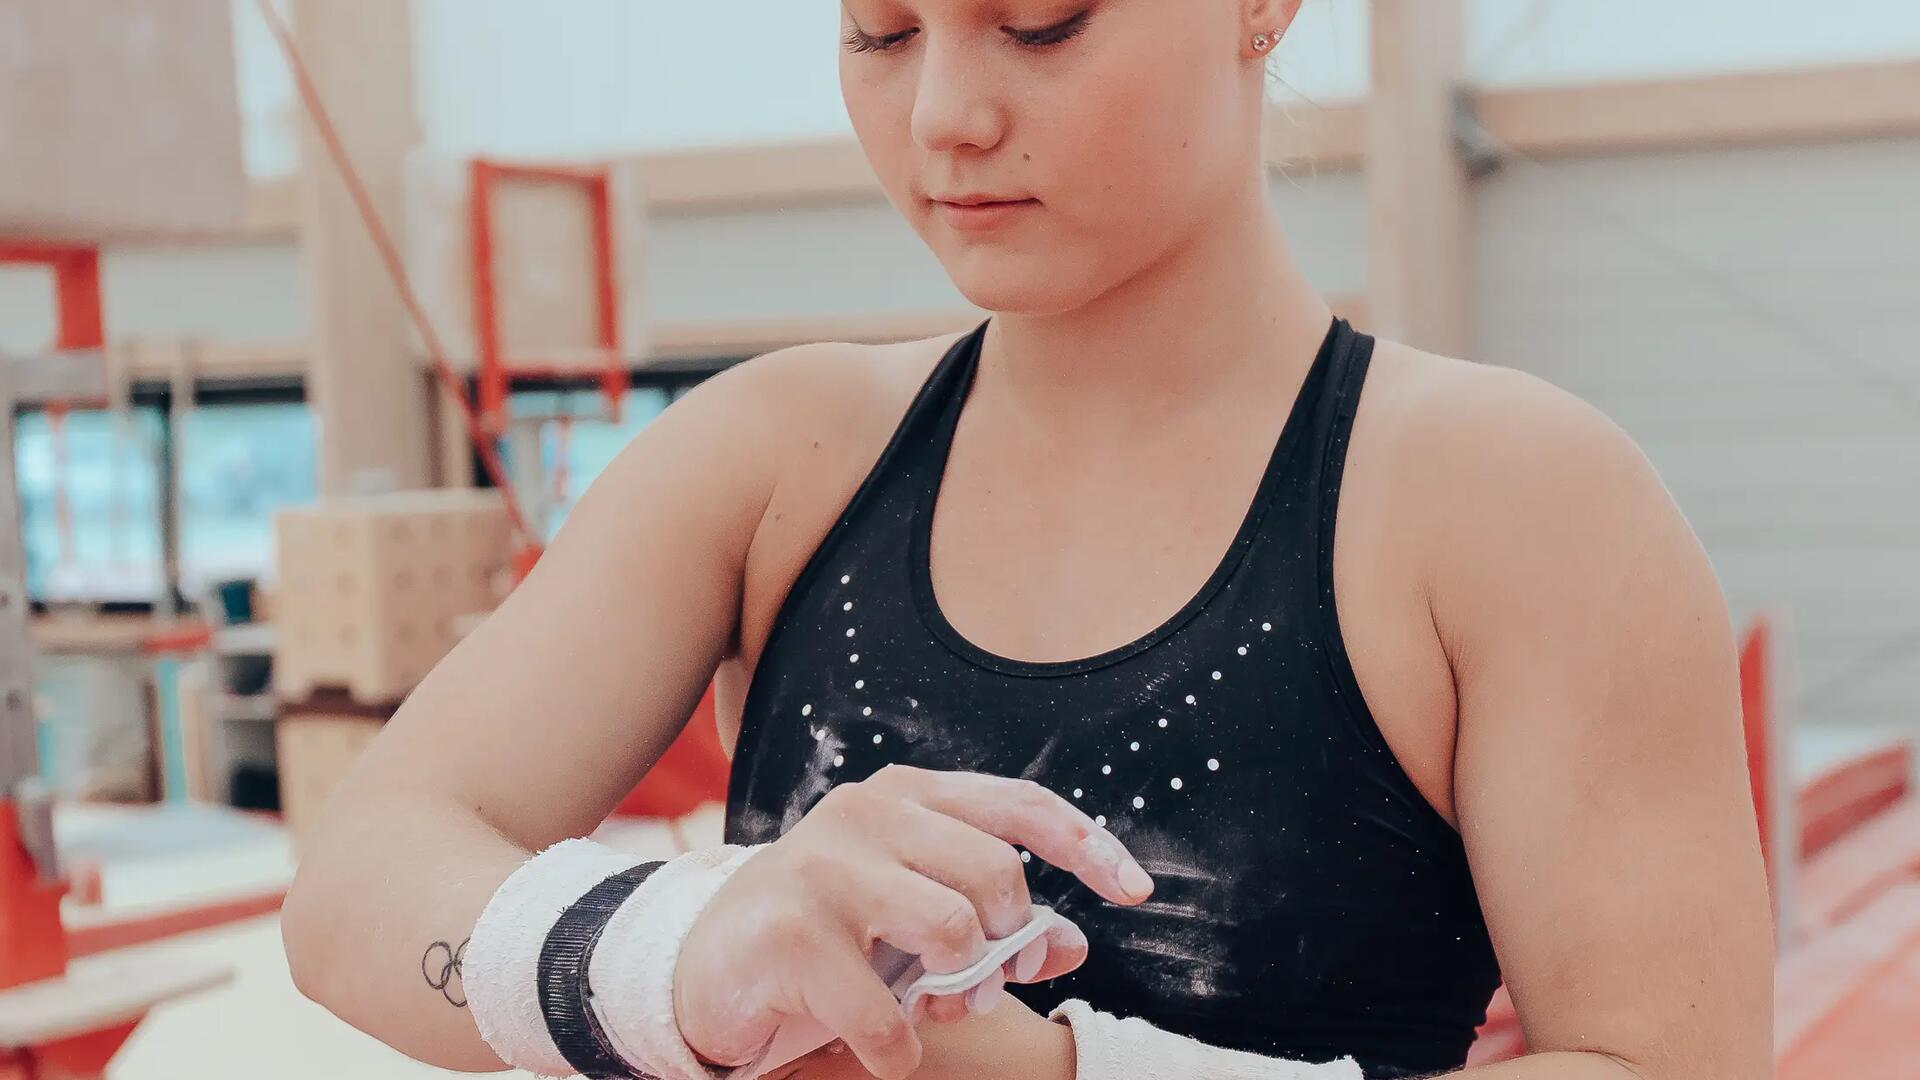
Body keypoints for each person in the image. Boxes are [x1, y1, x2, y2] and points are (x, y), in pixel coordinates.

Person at [280, 2, 1773, 1078]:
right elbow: (358, 883)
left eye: (1040, 24)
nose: (944, 114)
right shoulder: (776, 459)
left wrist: (1063, 1076)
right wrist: (687, 959)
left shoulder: (1510, 501)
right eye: (883, 31)